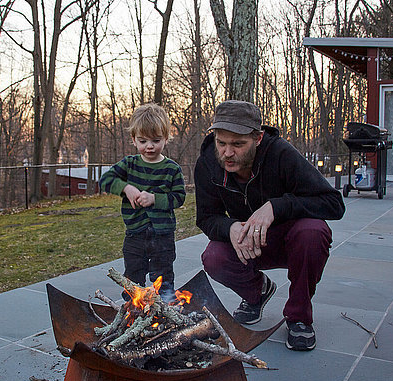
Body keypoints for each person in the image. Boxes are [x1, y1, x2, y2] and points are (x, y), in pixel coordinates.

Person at [194, 100, 345, 351]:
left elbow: (333, 204)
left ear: (258, 138)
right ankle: (256, 293)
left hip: (291, 241)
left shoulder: (281, 154)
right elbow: (207, 217)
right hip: (248, 243)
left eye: (238, 144)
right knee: (214, 256)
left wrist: (276, 207)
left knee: (313, 231)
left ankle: (298, 317)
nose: (227, 153)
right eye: (222, 143)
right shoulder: (208, 164)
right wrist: (230, 228)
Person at [100, 103, 186, 300]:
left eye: (156, 140)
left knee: (163, 276)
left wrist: (155, 199)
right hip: (135, 233)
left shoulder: (171, 169)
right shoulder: (129, 165)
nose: (149, 146)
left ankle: (164, 306)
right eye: (143, 140)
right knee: (133, 273)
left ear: (166, 138)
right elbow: (105, 180)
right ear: (134, 139)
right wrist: (126, 188)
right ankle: (132, 309)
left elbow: (179, 198)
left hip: (163, 235)